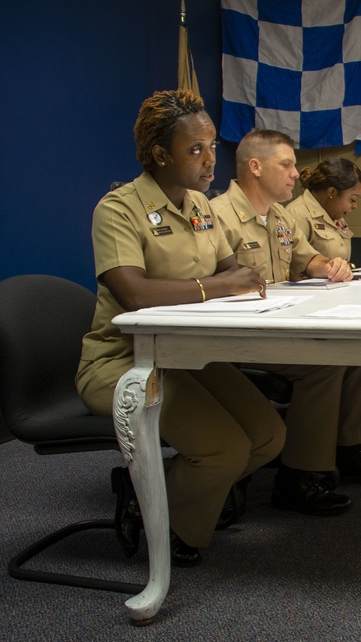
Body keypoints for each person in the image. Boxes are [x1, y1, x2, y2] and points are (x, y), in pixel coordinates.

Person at [75, 90, 287, 567]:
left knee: (269, 436)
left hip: (189, 352)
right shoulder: (118, 208)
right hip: (124, 360)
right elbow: (134, 293)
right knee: (224, 450)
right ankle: (167, 528)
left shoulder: (200, 204)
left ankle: (154, 488)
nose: (211, 160)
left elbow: (233, 269)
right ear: (159, 154)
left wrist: (231, 281)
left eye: (213, 146)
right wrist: (219, 285)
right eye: (196, 150)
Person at [211, 130, 361, 517]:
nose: (295, 174)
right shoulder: (218, 215)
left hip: (281, 322)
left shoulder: (280, 215)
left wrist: (328, 265)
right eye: (285, 164)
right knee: (326, 362)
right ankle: (299, 476)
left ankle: (353, 448)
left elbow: (307, 258)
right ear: (255, 166)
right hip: (239, 333)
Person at [285, 157, 361, 441]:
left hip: (336, 302)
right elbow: (294, 271)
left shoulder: (332, 217)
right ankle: (357, 434)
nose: (354, 207)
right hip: (310, 311)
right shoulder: (295, 215)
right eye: (352, 199)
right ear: (331, 192)